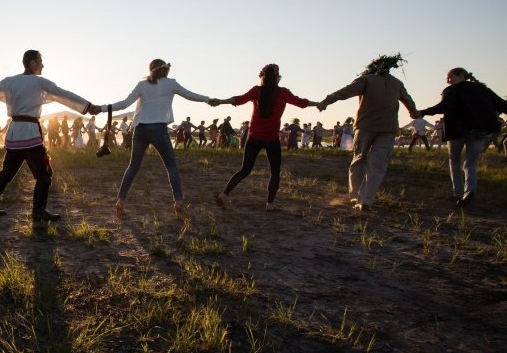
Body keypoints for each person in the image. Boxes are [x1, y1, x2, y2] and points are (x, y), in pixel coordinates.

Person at [0, 49, 99, 221]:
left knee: (7, 172)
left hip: (15, 133)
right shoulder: (39, 82)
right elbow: (63, 94)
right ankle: (38, 211)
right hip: (29, 133)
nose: (43, 65)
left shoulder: (9, 82)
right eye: (40, 61)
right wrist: (88, 107)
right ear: (32, 63)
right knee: (44, 173)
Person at [99, 59, 212, 217]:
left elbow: (124, 104)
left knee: (133, 166)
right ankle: (178, 202)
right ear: (165, 70)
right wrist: (208, 99)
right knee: (171, 166)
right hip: (158, 129)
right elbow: (190, 95)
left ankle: (120, 200)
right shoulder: (171, 83)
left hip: (140, 129)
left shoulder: (142, 85)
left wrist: (102, 108)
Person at [318, 53, 419, 212]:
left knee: (359, 159)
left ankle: (356, 197)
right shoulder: (396, 83)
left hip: (366, 126)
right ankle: (365, 200)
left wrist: (326, 101)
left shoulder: (366, 79)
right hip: (388, 128)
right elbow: (408, 100)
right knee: (377, 165)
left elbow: (345, 92)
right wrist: (413, 112)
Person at [211, 64, 317, 211]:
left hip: (253, 138)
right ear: (277, 78)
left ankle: (223, 195)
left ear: (262, 78)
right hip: (271, 139)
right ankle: (270, 204)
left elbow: (238, 99)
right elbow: (301, 103)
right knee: (275, 173)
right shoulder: (283, 93)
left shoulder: (257, 91)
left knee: (245, 170)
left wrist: (220, 101)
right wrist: (318, 104)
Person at [418, 68, 507, 206]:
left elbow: (444, 107)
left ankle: (458, 193)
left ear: (461, 75)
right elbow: (502, 104)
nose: (447, 80)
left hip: (457, 131)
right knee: (470, 162)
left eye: (450, 77)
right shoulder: (482, 89)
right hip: (479, 131)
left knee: (454, 160)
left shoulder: (451, 91)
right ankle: (470, 190)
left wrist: (423, 112)